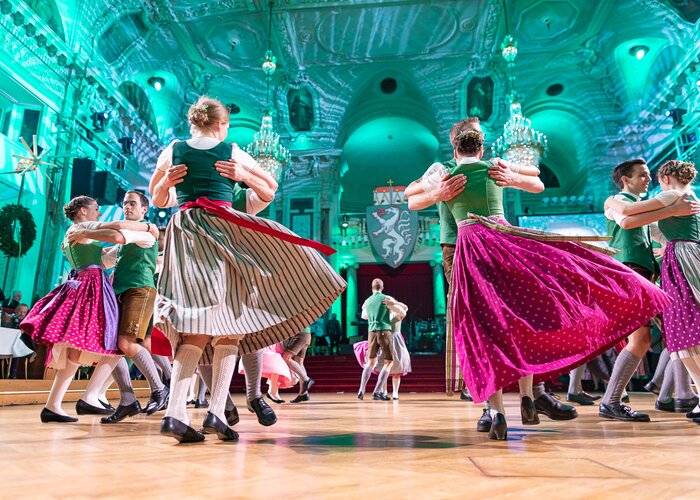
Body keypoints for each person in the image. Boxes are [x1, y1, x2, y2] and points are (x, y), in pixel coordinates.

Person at [412, 129, 670, 440]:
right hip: (504, 240)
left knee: (481, 328)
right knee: (524, 317)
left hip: (469, 248)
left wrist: (437, 193)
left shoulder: (445, 173)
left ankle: (495, 412)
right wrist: (512, 176)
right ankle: (526, 396)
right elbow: (536, 177)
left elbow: (411, 199)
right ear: (481, 150)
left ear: (455, 151)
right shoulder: (494, 164)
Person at [149, 96, 346, 443]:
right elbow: (270, 189)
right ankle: (209, 412)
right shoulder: (232, 149)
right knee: (231, 322)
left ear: (194, 122)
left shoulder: (173, 148)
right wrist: (242, 176)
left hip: (185, 231)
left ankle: (180, 413)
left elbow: (158, 199)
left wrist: (167, 183)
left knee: (199, 322)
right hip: (222, 229)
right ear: (223, 124)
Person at [406, 117, 579, 432]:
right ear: (461, 140)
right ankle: (498, 404)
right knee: (484, 320)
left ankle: (525, 398)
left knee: (512, 315)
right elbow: (410, 195)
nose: (483, 138)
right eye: (479, 134)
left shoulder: (491, 164)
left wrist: (511, 175)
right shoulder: (441, 168)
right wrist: (438, 193)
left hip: (495, 243)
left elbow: (535, 178)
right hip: (458, 247)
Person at [20, 196, 157, 422]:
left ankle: (54, 405)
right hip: (91, 286)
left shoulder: (78, 232)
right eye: (96, 209)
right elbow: (116, 229)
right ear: (83, 211)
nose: (99, 214)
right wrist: (148, 227)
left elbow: (103, 258)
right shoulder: (82, 227)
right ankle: (91, 395)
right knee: (113, 341)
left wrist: (115, 252)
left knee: (75, 348)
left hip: (83, 282)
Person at [600, 158, 699, 421]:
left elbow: (654, 229)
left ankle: (674, 394)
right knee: (643, 339)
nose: (648, 180)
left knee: (675, 333)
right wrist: (674, 209)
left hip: (647, 273)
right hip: (630, 270)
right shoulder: (617, 201)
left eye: (648, 175)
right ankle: (613, 400)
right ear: (626, 180)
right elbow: (626, 222)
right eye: (642, 175)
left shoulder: (658, 204)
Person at [67, 190, 168, 423]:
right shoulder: (128, 234)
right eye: (125, 204)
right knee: (111, 349)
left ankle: (159, 388)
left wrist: (84, 229)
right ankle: (127, 399)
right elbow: (105, 259)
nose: (127, 207)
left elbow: (120, 238)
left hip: (139, 290)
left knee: (127, 343)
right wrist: (82, 249)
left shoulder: (147, 232)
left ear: (144, 210)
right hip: (118, 292)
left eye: (132, 204)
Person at [354, 299, 410, 400]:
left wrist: (393, 302)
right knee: (383, 368)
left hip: (395, 342)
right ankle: (383, 391)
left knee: (396, 369)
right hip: (384, 340)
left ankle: (395, 392)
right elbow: (364, 312)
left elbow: (405, 308)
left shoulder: (396, 313)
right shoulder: (381, 317)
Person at [357, 279, 396, 401]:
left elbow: (364, 316)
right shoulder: (386, 298)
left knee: (370, 361)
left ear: (372, 287)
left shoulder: (367, 301)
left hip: (371, 332)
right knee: (389, 362)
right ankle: (377, 390)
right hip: (384, 330)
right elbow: (397, 311)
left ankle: (361, 389)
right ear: (382, 287)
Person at [282, 328, 314, 403]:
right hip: (306, 334)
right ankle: (303, 393)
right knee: (299, 363)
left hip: (299, 335)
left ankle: (306, 379)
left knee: (286, 358)